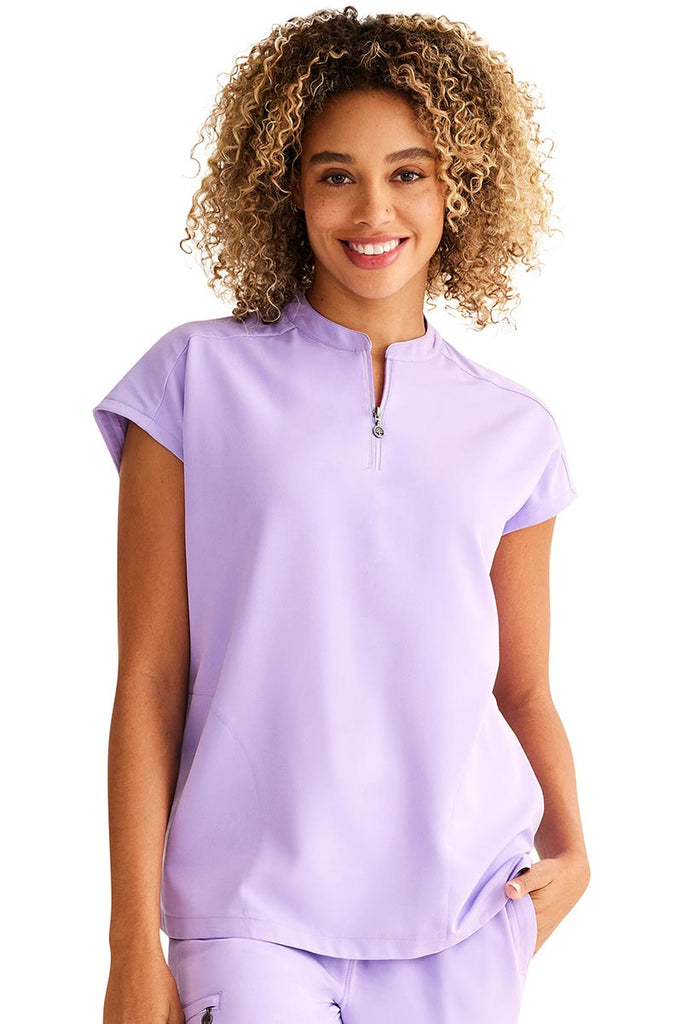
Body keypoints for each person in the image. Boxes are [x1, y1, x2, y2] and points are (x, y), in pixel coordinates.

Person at [94, 8, 590, 1024]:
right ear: (288, 186)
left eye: (408, 172)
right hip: (248, 911)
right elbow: (149, 678)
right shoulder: (192, 382)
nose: (374, 209)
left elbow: (523, 685)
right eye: (335, 174)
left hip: (465, 915)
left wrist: (574, 852)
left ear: (458, 186)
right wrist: (129, 946)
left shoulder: (515, 430)